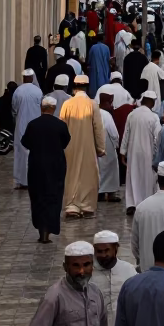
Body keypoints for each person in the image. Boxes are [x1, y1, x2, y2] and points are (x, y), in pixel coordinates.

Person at [22, 97, 71, 243]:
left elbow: (26, 142)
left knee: (38, 196)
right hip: (56, 166)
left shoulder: (33, 124)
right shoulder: (60, 125)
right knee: (53, 196)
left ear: (41, 108)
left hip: (36, 165)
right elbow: (65, 142)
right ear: (54, 108)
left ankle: (41, 230)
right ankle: (48, 230)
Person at [60, 75, 107, 219]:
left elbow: (62, 126)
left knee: (71, 174)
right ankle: (86, 205)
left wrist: (60, 147)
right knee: (88, 174)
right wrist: (100, 148)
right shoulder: (92, 104)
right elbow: (98, 128)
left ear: (74, 87)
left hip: (69, 146)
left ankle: (71, 205)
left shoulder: (67, 104)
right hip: (88, 146)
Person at [123, 91, 161, 214]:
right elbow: (158, 137)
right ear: (152, 102)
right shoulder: (153, 117)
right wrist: (158, 154)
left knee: (132, 176)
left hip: (132, 151)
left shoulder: (132, 114)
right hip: (147, 152)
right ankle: (145, 203)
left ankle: (131, 204)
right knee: (147, 177)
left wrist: (123, 152)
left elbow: (126, 134)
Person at [90, 230, 137, 326]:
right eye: (99, 251)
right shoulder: (89, 274)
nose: (103, 255)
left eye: (107, 250)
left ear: (116, 249)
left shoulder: (129, 270)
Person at [13, 70, 44, 189]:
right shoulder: (38, 91)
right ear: (32, 78)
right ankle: (34, 178)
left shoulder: (18, 91)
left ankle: (21, 179)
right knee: (34, 150)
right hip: (35, 124)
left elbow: (14, 108)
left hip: (21, 124)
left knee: (21, 150)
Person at [96, 88, 122, 203]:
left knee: (99, 171)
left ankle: (99, 193)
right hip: (108, 147)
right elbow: (114, 133)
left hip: (96, 148)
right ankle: (110, 194)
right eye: (110, 103)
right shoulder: (106, 115)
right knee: (111, 171)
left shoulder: (94, 111)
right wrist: (116, 145)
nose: (111, 105)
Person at [87, 33, 112, 98]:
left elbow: (89, 60)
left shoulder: (93, 47)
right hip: (104, 70)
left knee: (94, 88)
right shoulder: (106, 48)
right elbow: (108, 60)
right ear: (103, 39)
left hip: (94, 71)